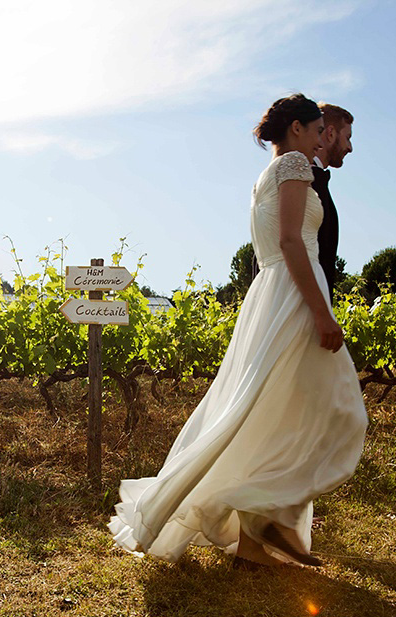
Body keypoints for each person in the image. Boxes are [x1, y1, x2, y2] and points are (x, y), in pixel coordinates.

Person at [108, 94, 368, 567]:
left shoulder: (271, 171)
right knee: (340, 411)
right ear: (296, 129)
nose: (319, 140)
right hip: (293, 295)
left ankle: (254, 543)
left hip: (278, 292)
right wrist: (321, 313)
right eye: (315, 131)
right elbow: (291, 241)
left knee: (276, 412)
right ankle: (272, 515)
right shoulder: (293, 164)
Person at [252, 101, 353, 301]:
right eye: (348, 137)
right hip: (298, 300)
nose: (350, 147)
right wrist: (322, 313)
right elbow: (289, 241)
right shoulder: (296, 172)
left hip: (273, 296)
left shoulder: (268, 176)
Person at [313, 103, 353, 301]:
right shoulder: (303, 182)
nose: (350, 148)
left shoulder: (315, 179)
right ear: (330, 133)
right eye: (347, 138)